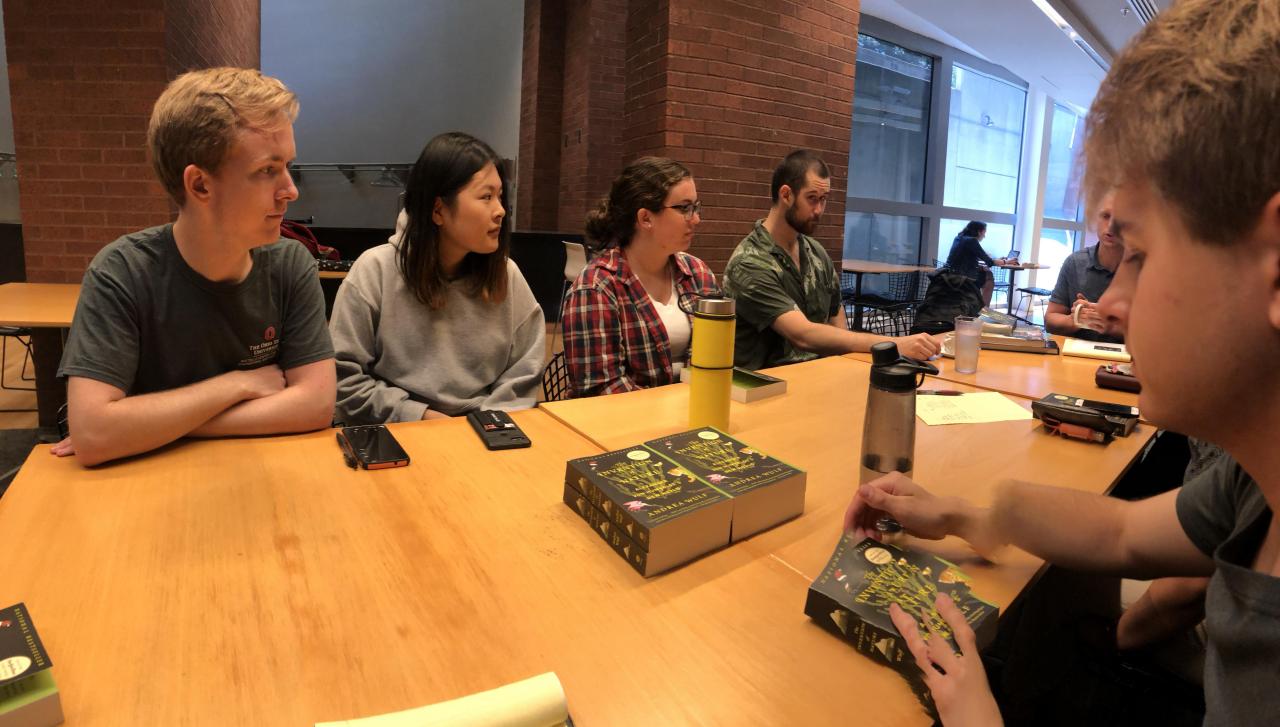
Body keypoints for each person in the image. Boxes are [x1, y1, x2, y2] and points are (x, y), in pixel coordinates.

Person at [845, 1, 1280, 724]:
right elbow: (1121, 532)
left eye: (1138, 254)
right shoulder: (1254, 484)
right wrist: (966, 514)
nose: (1113, 302)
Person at [53, 68, 335, 466]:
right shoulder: (122, 271)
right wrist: (238, 384)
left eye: (288, 166)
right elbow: (96, 434)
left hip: (262, 478)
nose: (291, 190)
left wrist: (150, 424)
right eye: (268, 170)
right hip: (144, 491)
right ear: (200, 185)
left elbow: (315, 405)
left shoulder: (291, 265)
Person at [329, 132, 544, 423]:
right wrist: (420, 417)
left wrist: (485, 426)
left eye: (500, 197)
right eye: (486, 197)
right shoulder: (375, 271)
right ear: (439, 209)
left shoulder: (506, 276)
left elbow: (522, 375)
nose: (500, 211)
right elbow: (343, 381)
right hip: (395, 434)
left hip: (484, 436)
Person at [722, 150, 941, 369]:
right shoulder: (749, 263)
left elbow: (837, 325)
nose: (819, 210)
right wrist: (894, 344)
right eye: (812, 199)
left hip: (816, 377)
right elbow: (803, 335)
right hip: (765, 388)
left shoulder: (815, 253)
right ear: (786, 195)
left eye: (824, 200)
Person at [562, 156, 718, 397]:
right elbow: (601, 389)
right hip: (625, 426)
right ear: (645, 218)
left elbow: (716, 359)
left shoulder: (697, 273)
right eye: (684, 208)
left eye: (696, 207)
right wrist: (677, 409)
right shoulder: (596, 288)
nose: (696, 219)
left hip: (695, 415)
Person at [1044, 194, 1124, 342]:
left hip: (1124, 362)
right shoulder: (1075, 262)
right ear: (1096, 219)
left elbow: (1155, 333)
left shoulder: (1144, 269)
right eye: (1106, 216)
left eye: (1120, 218)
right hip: (1077, 356)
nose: (1112, 226)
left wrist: (1109, 325)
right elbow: (1050, 320)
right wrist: (1076, 319)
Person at [944, 221, 1011, 306]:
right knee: (989, 277)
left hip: (950, 274)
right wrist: (1006, 261)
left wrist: (994, 260)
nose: (984, 236)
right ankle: (984, 311)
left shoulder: (959, 238)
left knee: (985, 271)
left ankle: (978, 306)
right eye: (984, 232)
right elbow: (989, 262)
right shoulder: (972, 240)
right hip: (963, 277)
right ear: (979, 232)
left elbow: (966, 258)